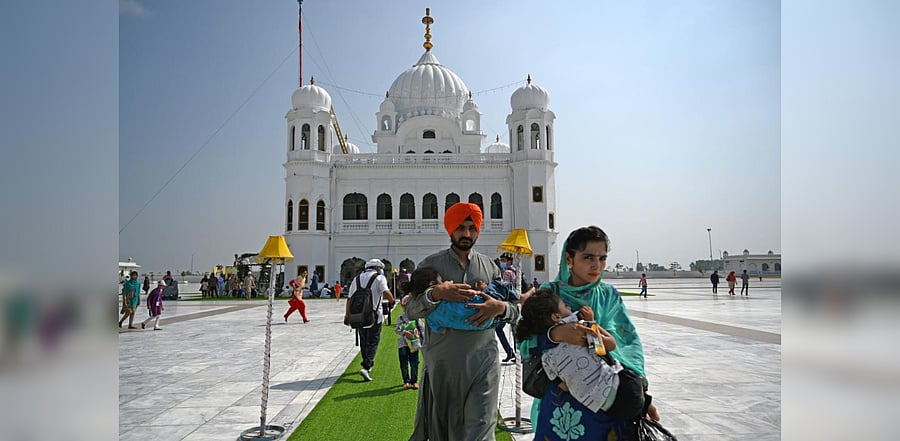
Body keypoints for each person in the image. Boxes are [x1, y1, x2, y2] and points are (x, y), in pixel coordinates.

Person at [519, 226, 658, 440]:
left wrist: (640, 391)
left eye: (602, 258)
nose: (597, 265)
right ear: (569, 258)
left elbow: (627, 342)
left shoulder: (607, 296)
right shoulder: (550, 293)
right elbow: (524, 337)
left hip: (608, 400)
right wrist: (555, 335)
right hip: (563, 404)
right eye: (588, 257)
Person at [405, 202, 520, 441]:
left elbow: (515, 310)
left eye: (471, 228)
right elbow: (412, 311)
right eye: (461, 228)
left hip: (483, 362)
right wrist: (436, 294)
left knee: (480, 429)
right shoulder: (430, 265)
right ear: (450, 229)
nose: (467, 234)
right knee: (445, 431)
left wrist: (499, 308)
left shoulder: (490, 266)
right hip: (443, 365)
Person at [516, 289, 646, 422]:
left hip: (600, 407)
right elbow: (610, 345)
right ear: (556, 317)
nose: (570, 307)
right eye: (565, 306)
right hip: (624, 390)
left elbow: (562, 385)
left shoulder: (546, 357)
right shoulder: (579, 329)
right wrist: (591, 322)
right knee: (633, 382)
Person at [343, 259, 394, 382]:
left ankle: (367, 363)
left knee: (364, 341)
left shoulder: (357, 279)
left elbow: (350, 299)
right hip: (374, 315)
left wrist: (347, 315)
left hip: (358, 315)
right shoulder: (379, 278)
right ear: (377, 268)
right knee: (373, 341)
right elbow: (386, 292)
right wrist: (392, 301)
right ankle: (366, 366)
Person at [395, 294, 425, 390]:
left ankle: (414, 381)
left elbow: (422, 330)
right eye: (404, 307)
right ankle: (406, 380)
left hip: (414, 343)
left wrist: (420, 338)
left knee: (414, 362)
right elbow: (397, 329)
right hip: (403, 344)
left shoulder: (417, 319)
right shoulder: (401, 318)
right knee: (403, 362)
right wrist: (404, 332)